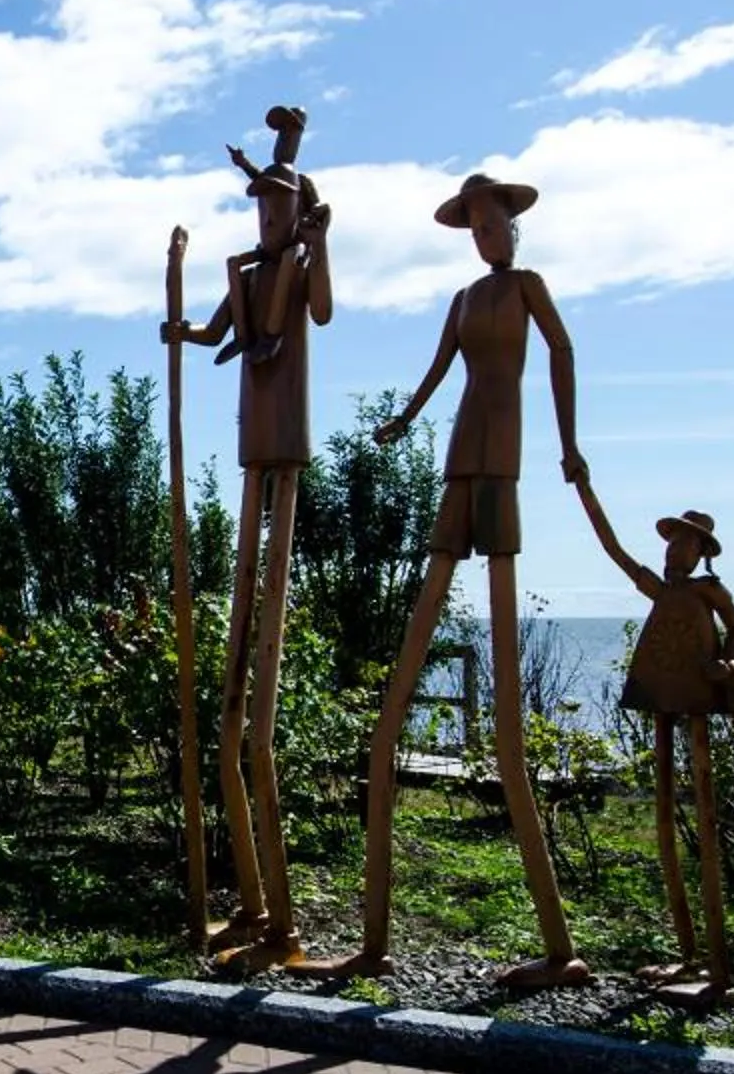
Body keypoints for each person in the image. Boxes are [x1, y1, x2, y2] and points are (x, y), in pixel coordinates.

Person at [289, 171, 588, 987]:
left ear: (514, 231)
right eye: (479, 228)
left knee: (507, 732)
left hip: (505, 471)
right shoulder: (462, 300)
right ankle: (376, 940)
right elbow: (435, 372)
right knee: (392, 716)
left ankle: (559, 950)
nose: (491, 237)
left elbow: (562, 354)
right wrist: (403, 419)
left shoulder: (528, 288)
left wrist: (569, 444)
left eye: (497, 225)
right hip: (461, 463)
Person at [163, 105, 333, 967]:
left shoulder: (299, 267)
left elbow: (326, 312)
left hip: (286, 446)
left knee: (256, 716)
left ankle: (283, 923)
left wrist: (320, 242)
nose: (266, 221)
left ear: (296, 214)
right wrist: (181, 332)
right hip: (247, 448)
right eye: (260, 209)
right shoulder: (243, 270)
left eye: (280, 209)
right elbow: (219, 333)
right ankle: (254, 904)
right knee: (229, 714)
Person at [573, 492, 734, 999]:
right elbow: (616, 552)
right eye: (671, 542)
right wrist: (587, 495)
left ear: (700, 551)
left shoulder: (708, 590)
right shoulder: (661, 591)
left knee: (701, 807)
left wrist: (726, 663)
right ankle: (685, 955)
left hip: (698, 690)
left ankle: (716, 966)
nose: (673, 550)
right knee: (662, 817)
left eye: (684, 543)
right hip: (661, 685)